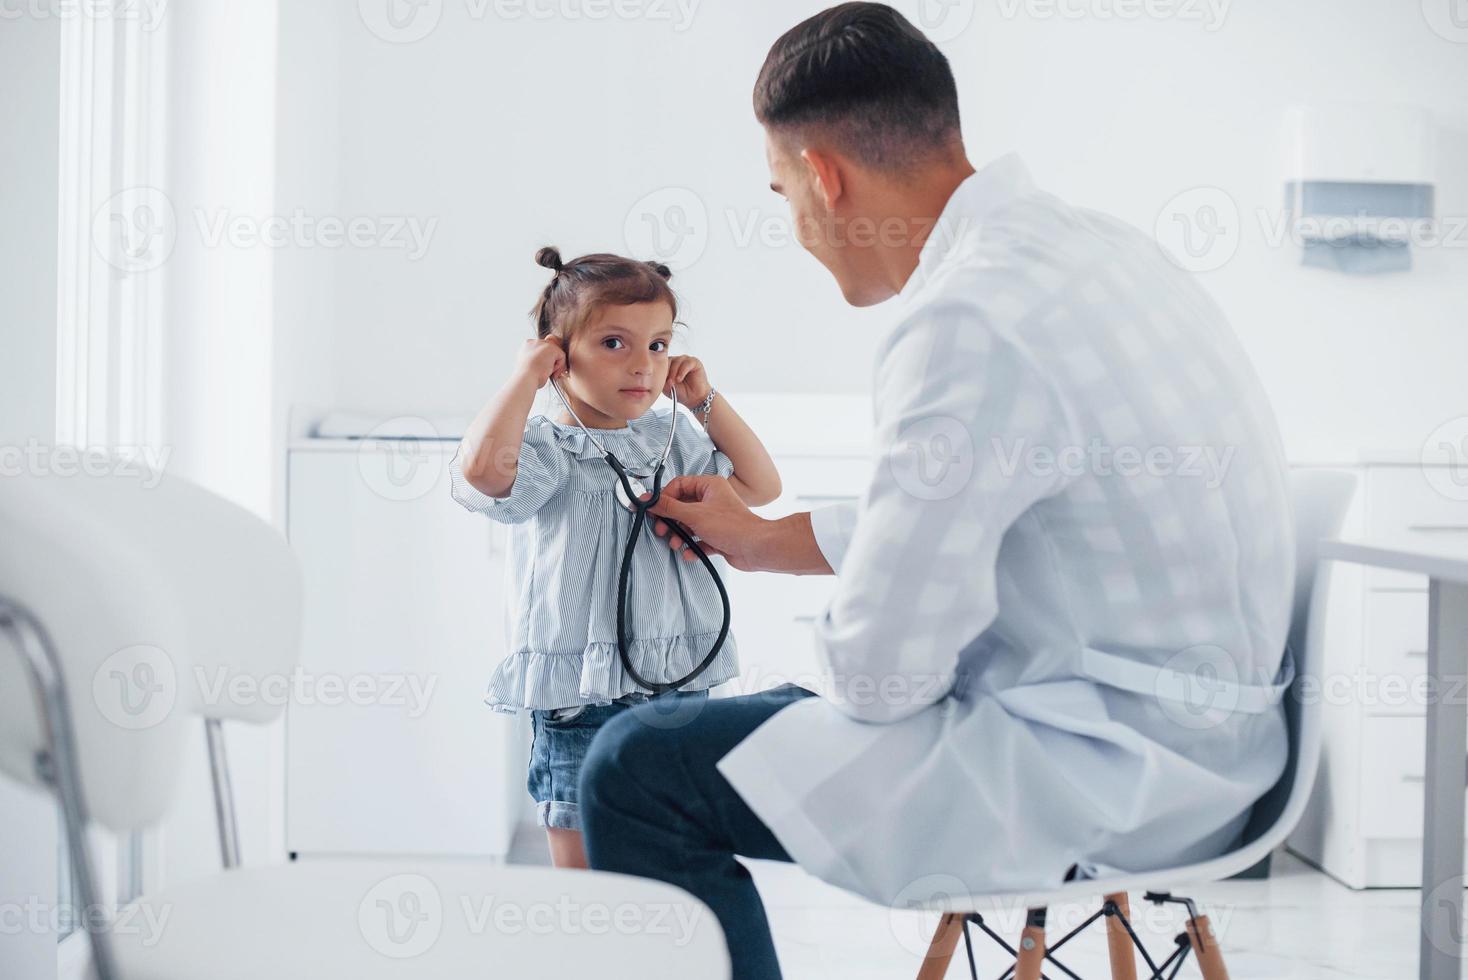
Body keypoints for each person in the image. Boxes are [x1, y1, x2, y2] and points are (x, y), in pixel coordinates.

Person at [577, 4, 1295, 978]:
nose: (795, 224)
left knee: (635, 762)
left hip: (1099, 770)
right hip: (1223, 744)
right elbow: (1001, 501)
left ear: (825, 178)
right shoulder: (1104, 252)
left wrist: (817, 651)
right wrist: (774, 535)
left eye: (782, 190)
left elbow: (879, 675)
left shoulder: (966, 318)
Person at [449, 246, 782, 869]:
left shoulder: (675, 436)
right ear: (557, 354)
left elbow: (761, 487)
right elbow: (483, 476)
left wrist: (706, 398)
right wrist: (524, 379)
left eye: (658, 346)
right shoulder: (548, 444)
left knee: (670, 848)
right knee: (586, 862)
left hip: (676, 678)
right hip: (583, 690)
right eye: (613, 343)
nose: (643, 365)